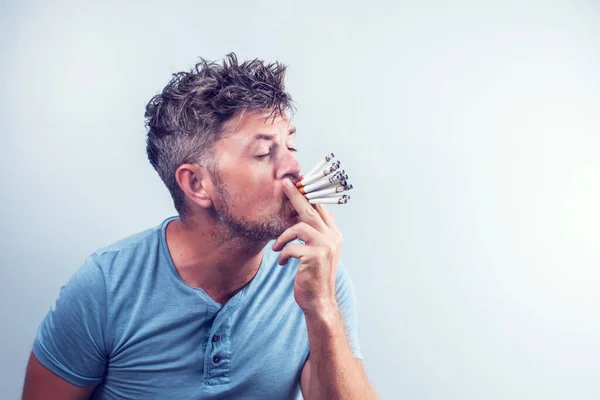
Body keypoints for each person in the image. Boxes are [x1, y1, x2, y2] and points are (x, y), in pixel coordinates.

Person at [22, 53, 377, 399]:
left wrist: (322, 308)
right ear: (196, 184)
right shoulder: (105, 288)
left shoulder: (317, 278)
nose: (294, 168)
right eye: (264, 153)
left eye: (291, 145)